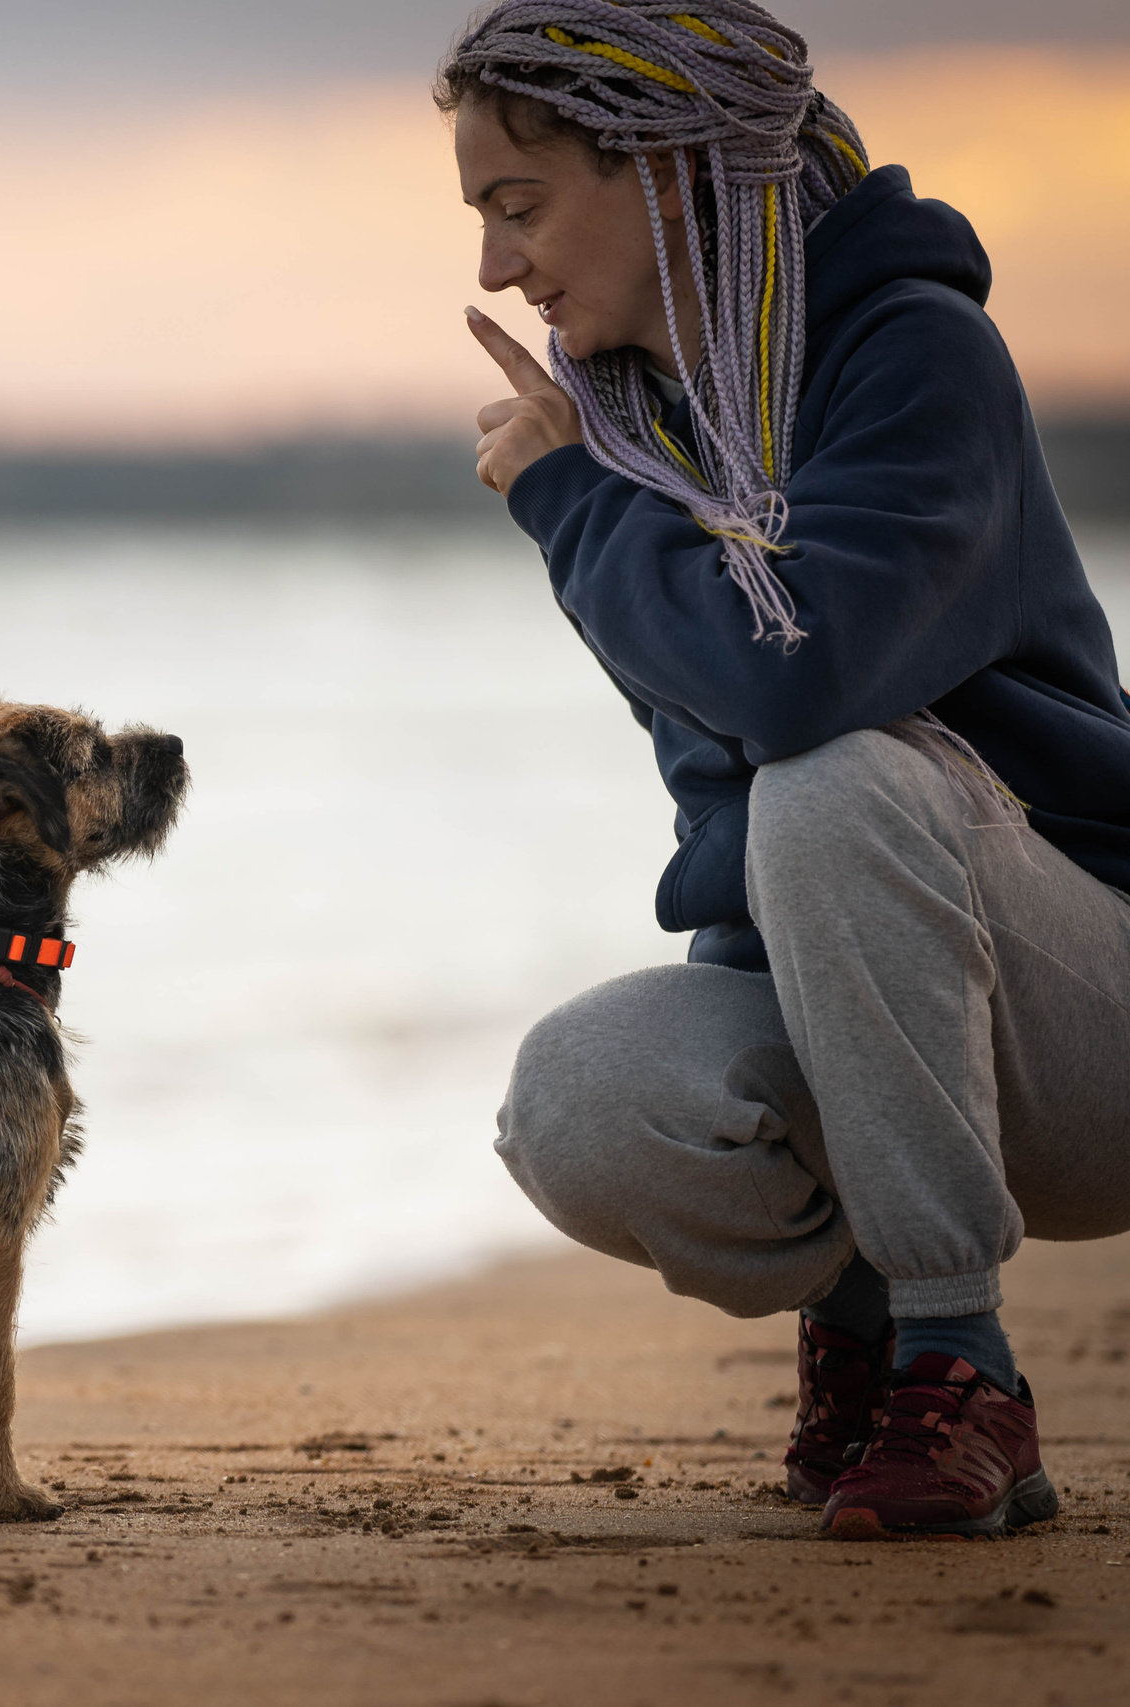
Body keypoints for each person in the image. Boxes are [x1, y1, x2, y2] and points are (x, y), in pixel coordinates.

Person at [442, 0, 1130, 1540]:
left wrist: (567, 504)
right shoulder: (647, 433)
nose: (497, 266)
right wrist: (599, 487)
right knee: (578, 1097)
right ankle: (872, 1316)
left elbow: (798, 682)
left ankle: (964, 1365)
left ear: (672, 173)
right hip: (898, 1015)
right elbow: (723, 798)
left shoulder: (914, 353)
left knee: (833, 777)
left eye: (520, 204)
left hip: (1097, 1009)